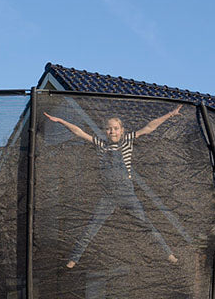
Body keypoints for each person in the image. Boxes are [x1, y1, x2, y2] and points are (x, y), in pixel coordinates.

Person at [43, 105, 182, 268]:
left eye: (116, 128)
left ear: (122, 130)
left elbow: (149, 127)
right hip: (108, 195)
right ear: (104, 131)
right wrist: (60, 120)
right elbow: (78, 132)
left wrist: (169, 114)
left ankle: (168, 253)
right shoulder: (100, 144)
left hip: (127, 194)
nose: (112, 132)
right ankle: (74, 258)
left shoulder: (128, 141)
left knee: (146, 224)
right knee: (91, 227)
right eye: (108, 129)